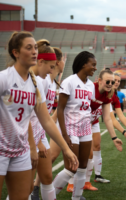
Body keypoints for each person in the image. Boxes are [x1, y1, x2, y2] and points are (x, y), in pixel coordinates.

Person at [0, 31, 78, 200]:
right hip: (1, 149)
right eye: (29, 48)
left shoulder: (35, 84)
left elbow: (46, 121)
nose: (34, 51)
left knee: (23, 195)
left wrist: (66, 148)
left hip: (21, 150)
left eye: (35, 47)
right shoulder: (4, 79)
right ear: (16, 52)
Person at [52, 51, 99, 200]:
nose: (94, 68)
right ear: (84, 64)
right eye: (93, 65)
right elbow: (60, 109)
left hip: (85, 127)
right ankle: (49, 195)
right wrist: (64, 135)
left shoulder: (90, 85)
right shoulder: (69, 81)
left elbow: (87, 106)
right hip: (70, 127)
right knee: (71, 167)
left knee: (83, 167)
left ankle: (77, 197)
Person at [31, 47, 66, 200]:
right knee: (22, 186)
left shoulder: (50, 81)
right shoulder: (41, 80)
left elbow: (44, 115)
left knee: (47, 177)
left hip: (39, 132)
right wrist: (37, 142)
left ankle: (35, 191)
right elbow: (31, 115)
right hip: (29, 135)